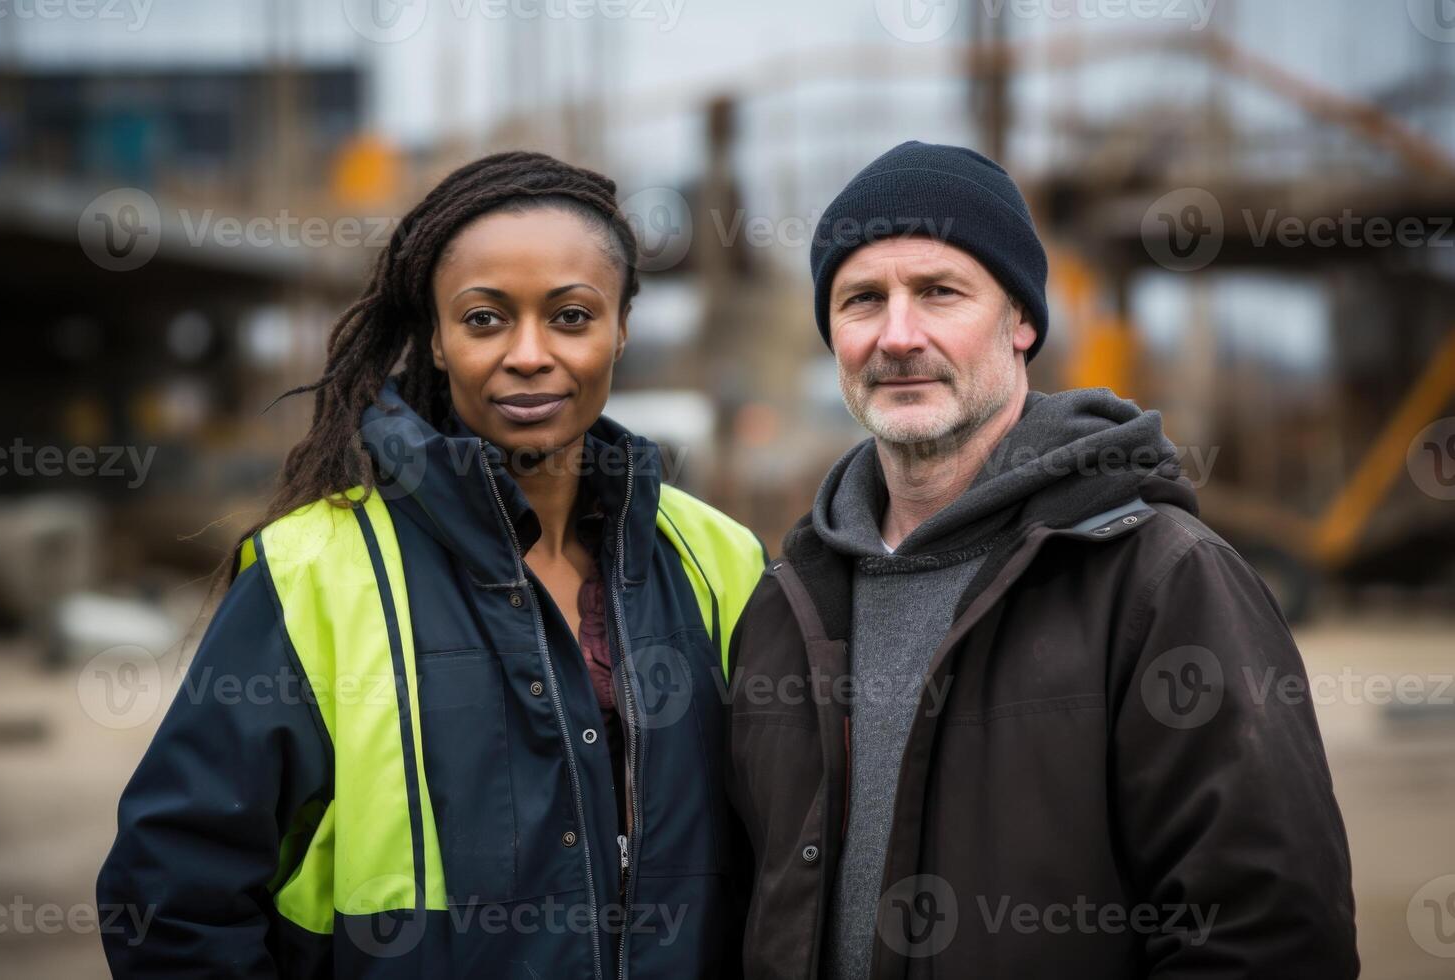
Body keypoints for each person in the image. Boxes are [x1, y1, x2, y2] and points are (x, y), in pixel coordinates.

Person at [97, 150, 765, 978]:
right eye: (484, 318)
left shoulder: (722, 560)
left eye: (571, 316)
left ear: (622, 327)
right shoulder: (315, 572)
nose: (528, 353)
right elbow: (173, 896)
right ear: (440, 341)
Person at [725, 141, 1358, 979]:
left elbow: (1267, 937)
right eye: (862, 300)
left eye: (940, 293)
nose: (898, 335)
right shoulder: (784, 608)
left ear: (1021, 320)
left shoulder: (1161, 581)